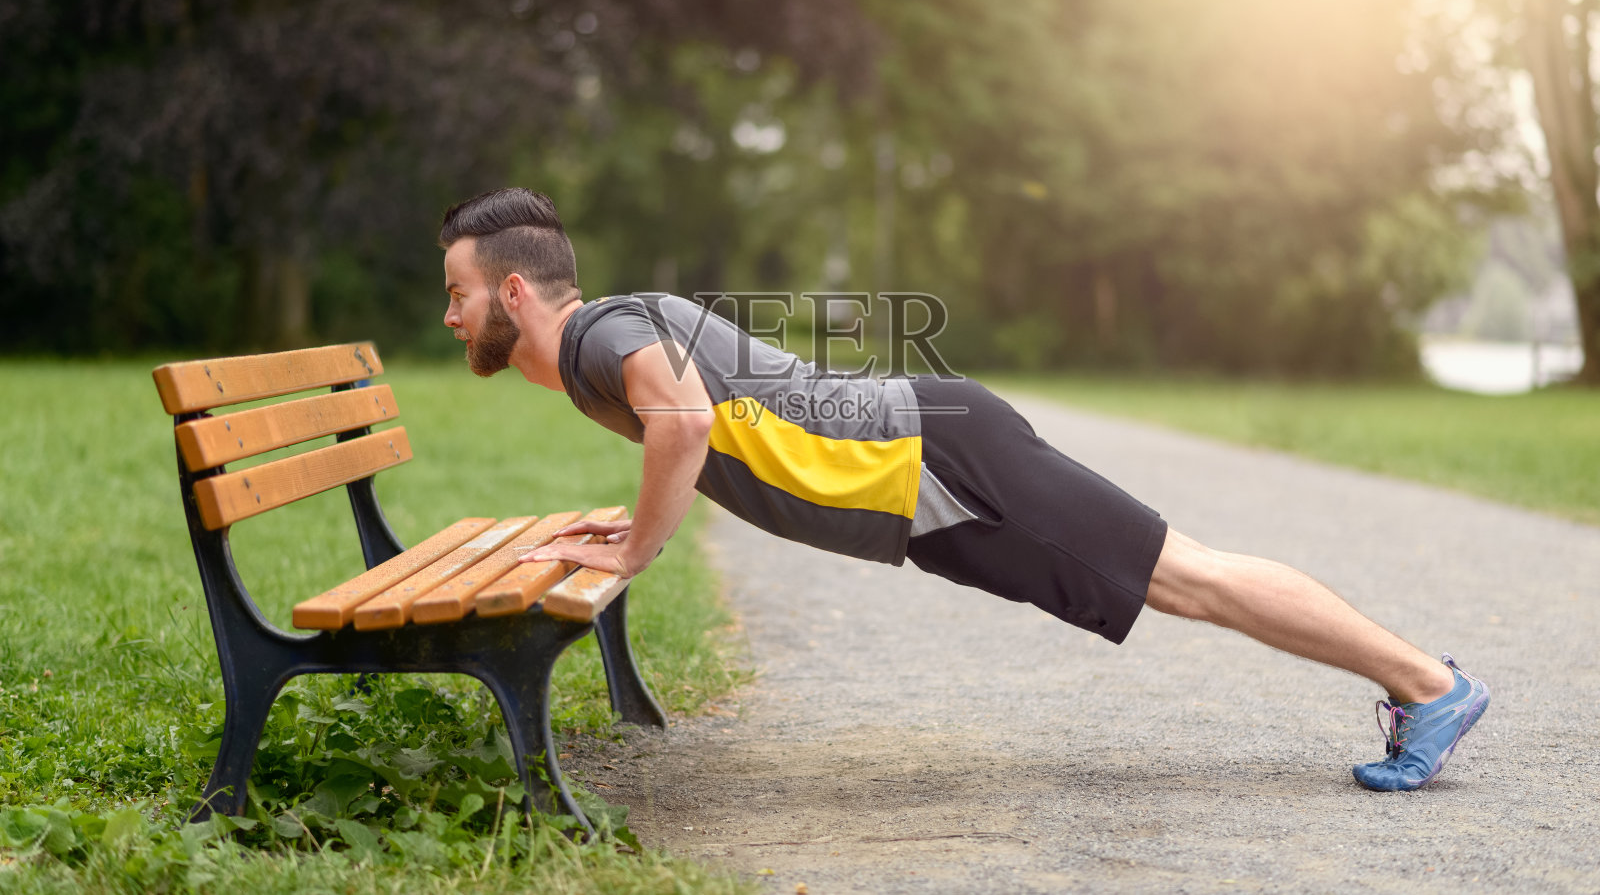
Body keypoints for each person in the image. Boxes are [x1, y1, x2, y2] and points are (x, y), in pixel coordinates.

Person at [438, 187, 1488, 793]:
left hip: (935, 455)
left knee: (1186, 575)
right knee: (1175, 582)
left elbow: (687, 422)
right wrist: (634, 516)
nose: (450, 315)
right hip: (921, 485)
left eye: (459, 293)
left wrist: (632, 553)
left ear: (514, 291)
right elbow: (704, 425)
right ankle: (1419, 686)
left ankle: (1428, 687)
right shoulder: (605, 331)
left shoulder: (600, 336)